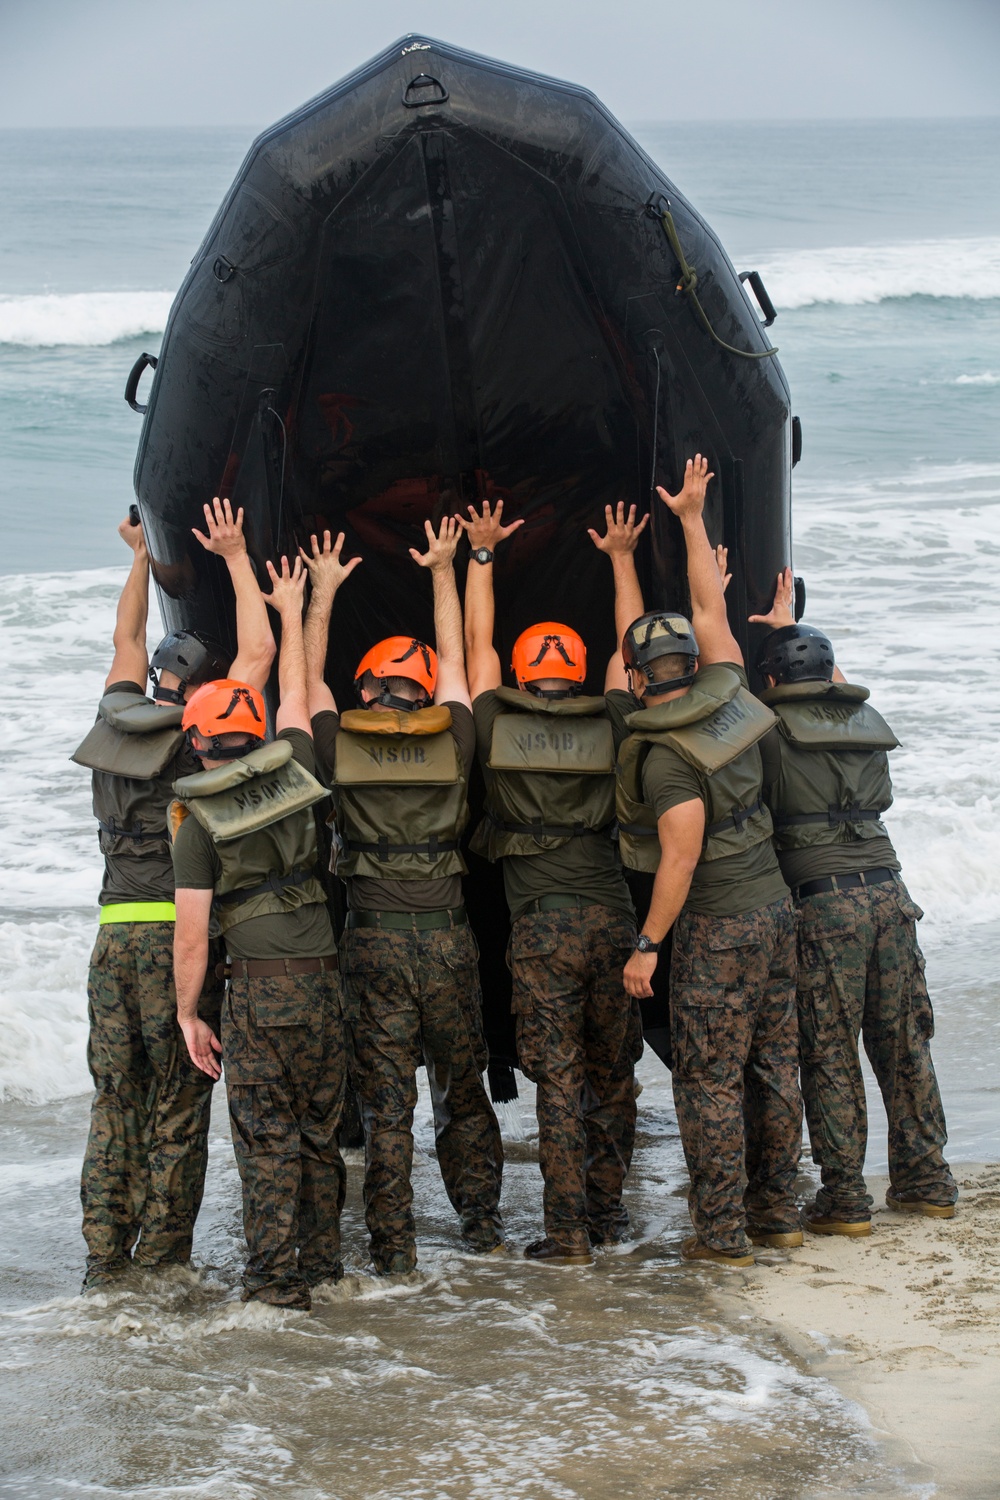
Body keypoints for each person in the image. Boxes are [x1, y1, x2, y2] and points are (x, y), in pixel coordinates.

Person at [71, 500, 274, 1291]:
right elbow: (258, 650)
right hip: (175, 939)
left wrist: (135, 558)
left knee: (114, 1097)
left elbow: (124, 640)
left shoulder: (115, 724)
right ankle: (161, 1260)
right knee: (179, 1106)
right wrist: (233, 554)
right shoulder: (202, 742)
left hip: (112, 938)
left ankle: (102, 1254)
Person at [603, 457, 801, 1266]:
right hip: (775, 909)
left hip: (716, 924)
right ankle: (779, 1210)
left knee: (711, 1081)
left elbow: (678, 859)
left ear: (638, 680)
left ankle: (722, 1233)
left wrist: (648, 944)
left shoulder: (658, 755)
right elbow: (710, 605)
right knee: (774, 1063)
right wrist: (692, 516)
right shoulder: (729, 688)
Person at [301, 522, 504, 1275]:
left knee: (387, 1106)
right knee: (462, 1086)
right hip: (448, 939)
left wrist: (320, 592)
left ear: (365, 690)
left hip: (373, 940)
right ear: (423, 690)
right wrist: (444, 568)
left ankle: (394, 1250)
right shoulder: (455, 738)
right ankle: (481, 1223)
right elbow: (456, 658)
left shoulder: (335, 744)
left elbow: (303, 683)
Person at [460, 499, 641, 1268]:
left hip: (541, 930)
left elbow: (475, 647)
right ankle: (608, 1215)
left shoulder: (497, 723)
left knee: (559, 1081)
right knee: (614, 1073)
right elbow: (630, 655)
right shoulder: (616, 720)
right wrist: (623, 557)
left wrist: (482, 555)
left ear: (524, 673)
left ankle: (567, 1235)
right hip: (614, 918)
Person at [752, 568, 957, 1233]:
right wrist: (793, 633)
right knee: (904, 1044)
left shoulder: (768, 730)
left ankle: (845, 1201)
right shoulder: (865, 717)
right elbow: (832, 684)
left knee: (830, 1051)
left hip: (823, 904)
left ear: (774, 683)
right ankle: (927, 1180)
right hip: (891, 893)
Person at [170, 556, 347, 1310]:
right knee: (319, 1132)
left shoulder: (197, 821)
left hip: (261, 999)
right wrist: (297, 609)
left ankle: (276, 1284)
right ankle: (328, 1267)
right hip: (324, 982)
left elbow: (192, 936)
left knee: (266, 1139)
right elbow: (300, 694)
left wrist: (188, 1013)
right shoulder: (299, 768)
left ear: (198, 743)